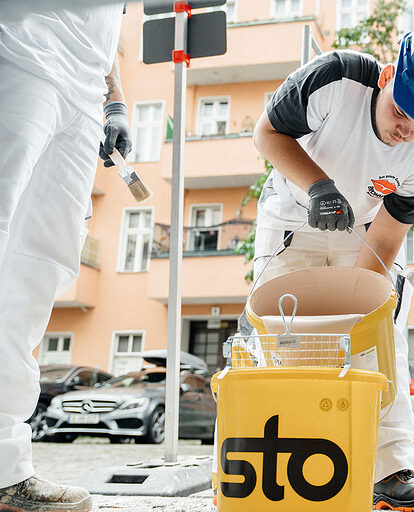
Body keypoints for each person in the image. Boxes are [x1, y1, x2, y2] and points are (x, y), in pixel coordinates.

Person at [234, 21, 414, 511]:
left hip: (359, 232)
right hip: (290, 219)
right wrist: (318, 186)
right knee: (286, 338)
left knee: (382, 335)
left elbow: (386, 237)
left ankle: (391, 471)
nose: (407, 128)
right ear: (388, 75)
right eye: (402, 110)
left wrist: (363, 311)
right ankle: (277, 463)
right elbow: (266, 133)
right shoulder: (336, 77)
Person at [0, 5, 130, 511]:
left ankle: (7, 470)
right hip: (19, 51)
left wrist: (115, 99)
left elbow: (107, 21)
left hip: (83, 92)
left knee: (36, 270)